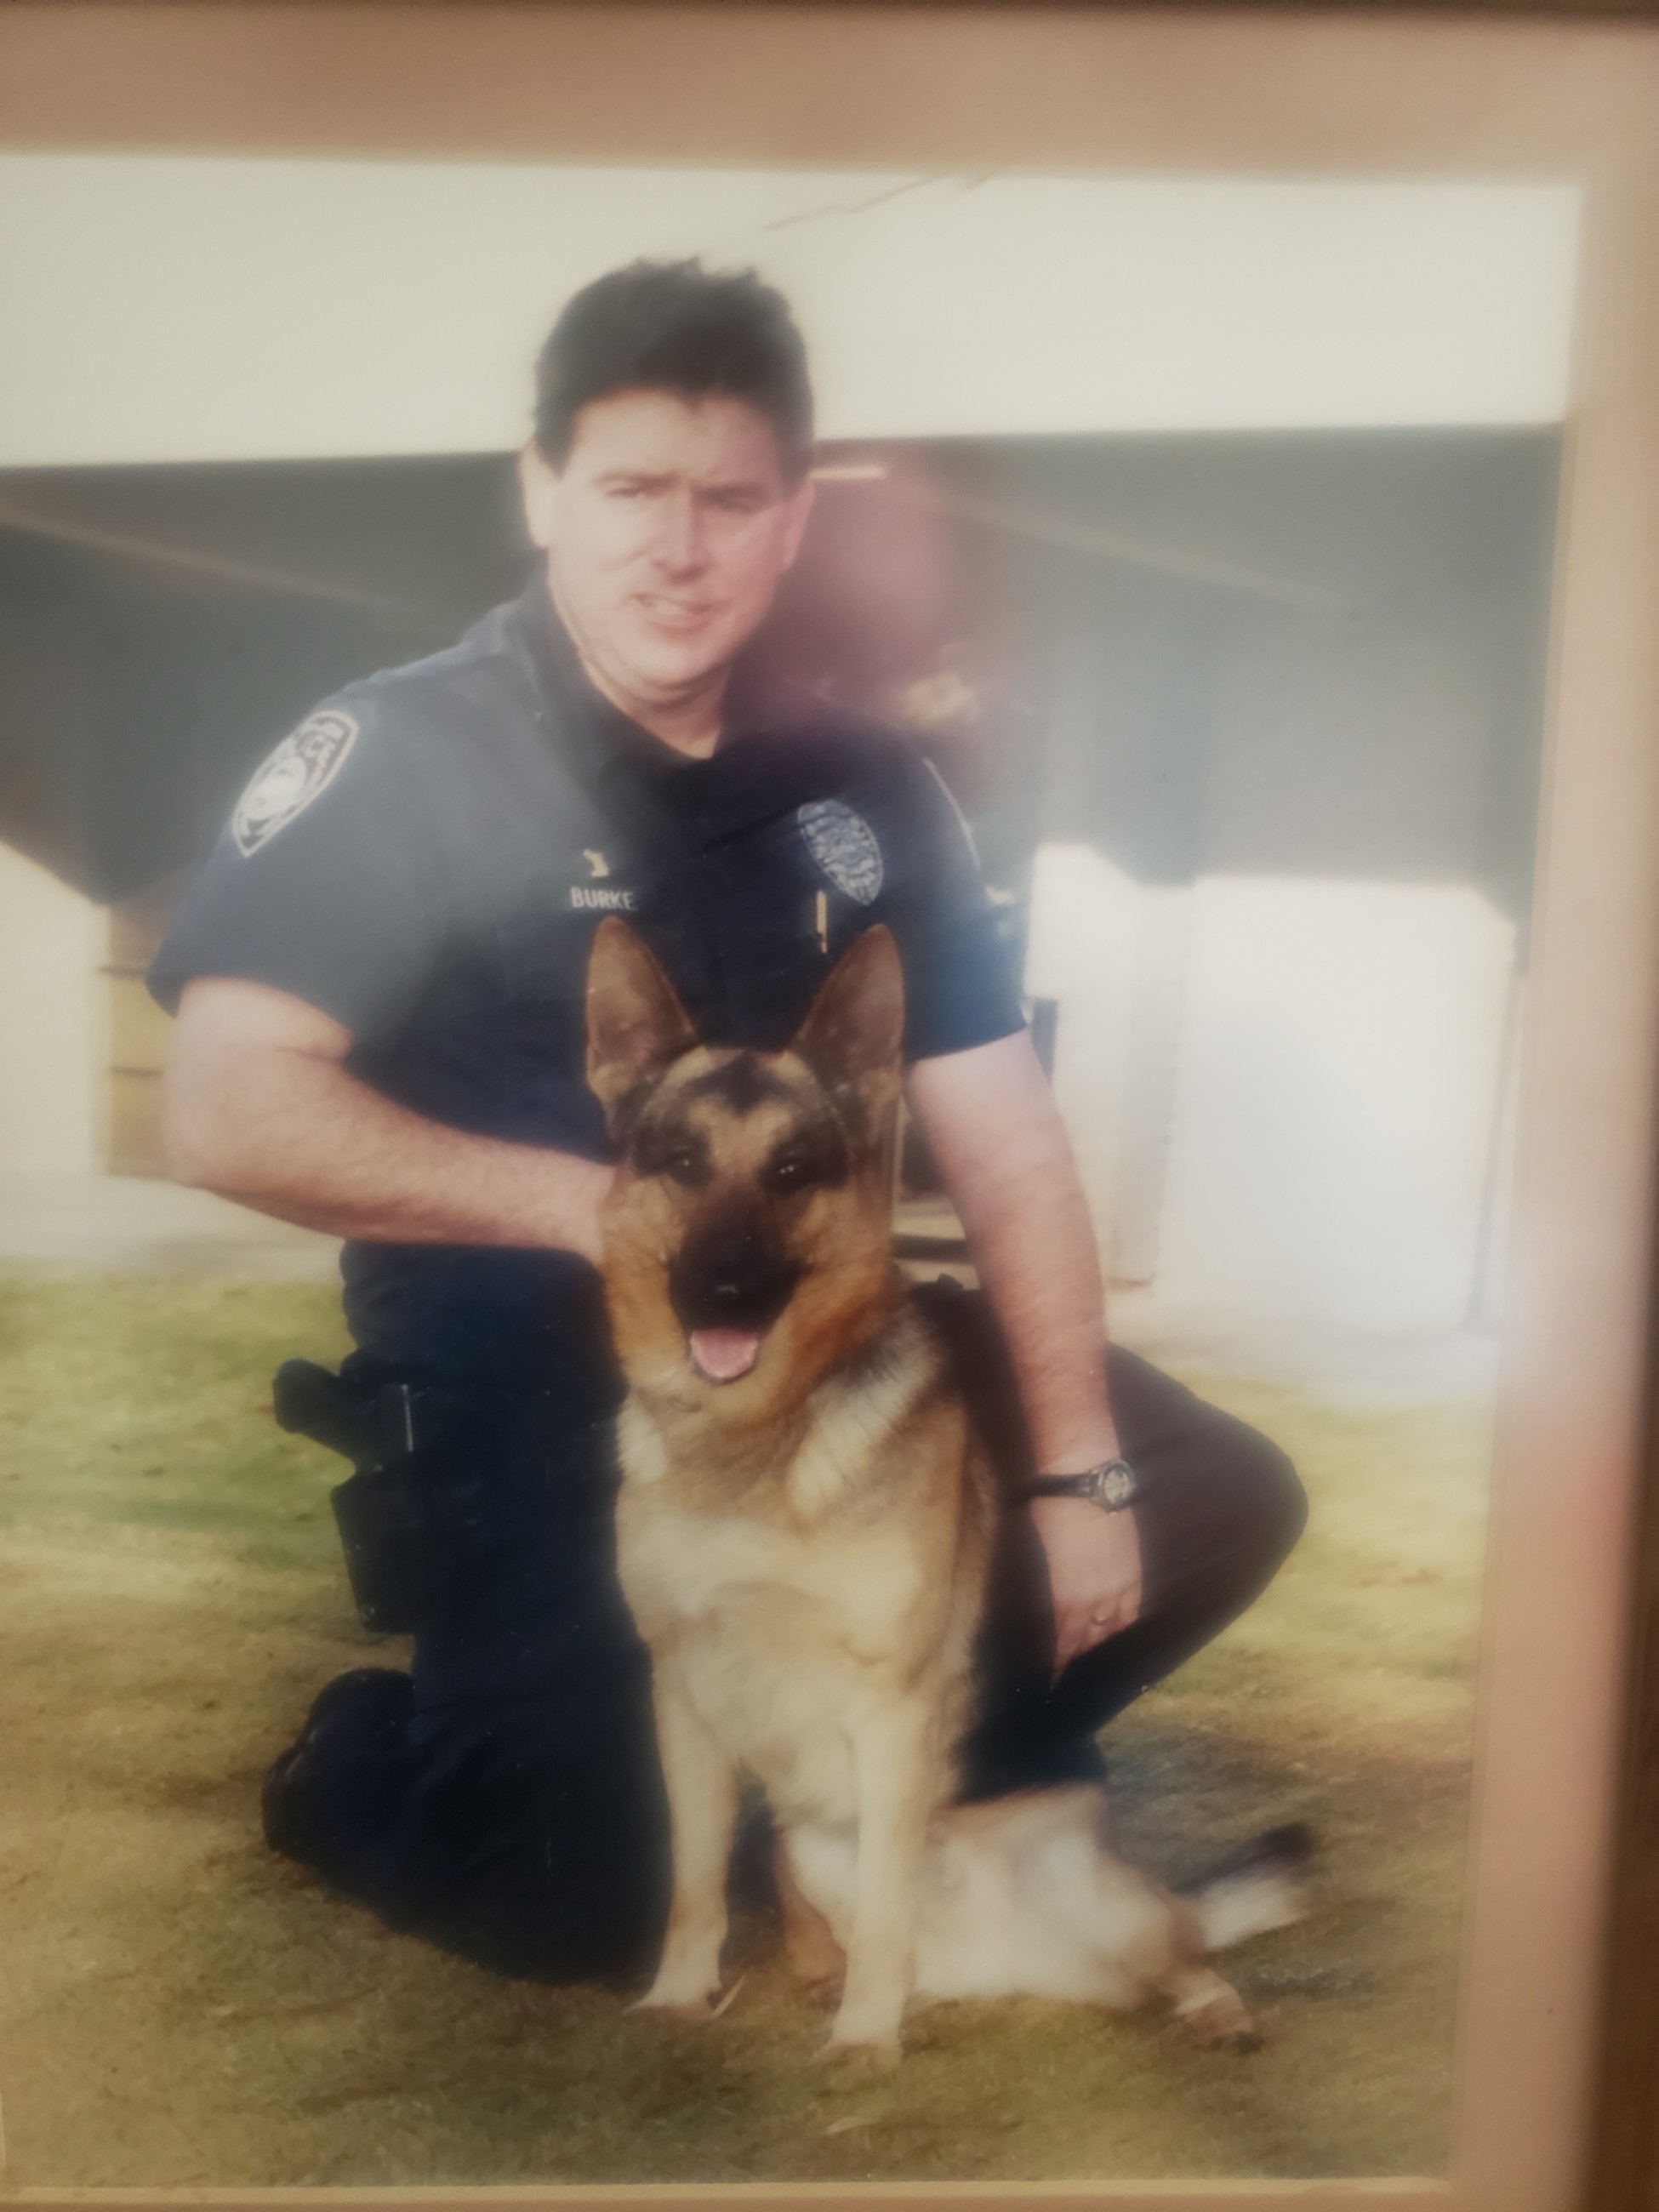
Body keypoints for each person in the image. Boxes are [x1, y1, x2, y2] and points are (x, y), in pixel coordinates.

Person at [150, 259, 1304, 1984]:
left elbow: (1005, 1138)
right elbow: (226, 1107)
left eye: (728, 500)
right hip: (532, 1392)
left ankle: (876, 1769)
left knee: (1213, 1496)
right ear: (543, 490)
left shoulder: (867, 783)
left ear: (790, 522)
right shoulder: (401, 755)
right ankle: (362, 1755)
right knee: (578, 1903)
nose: (677, 549)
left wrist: (1077, 1470)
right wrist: (583, 1209)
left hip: (841, 1351)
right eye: (630, 490)